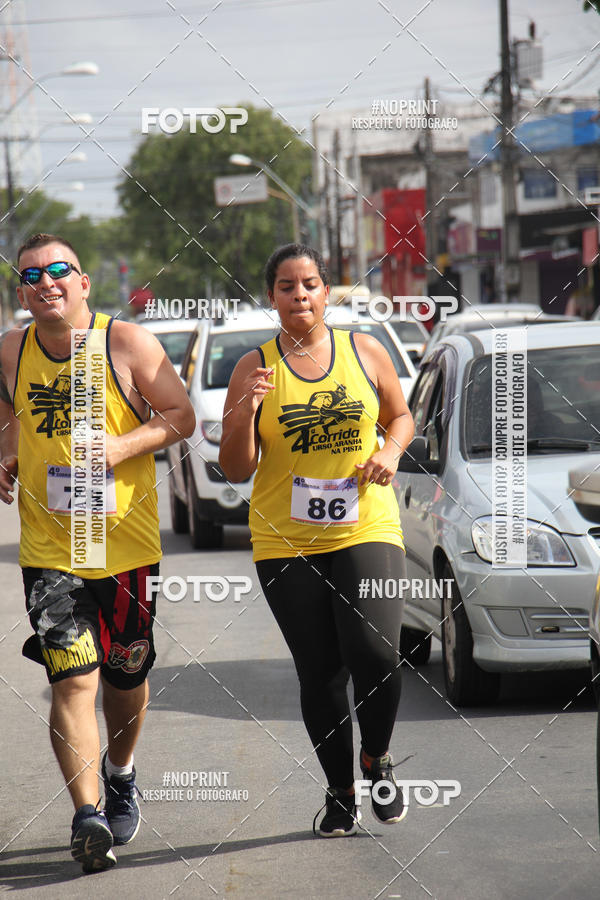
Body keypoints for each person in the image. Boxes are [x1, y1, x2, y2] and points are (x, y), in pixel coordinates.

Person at [0, 233, 195, 872]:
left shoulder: (126, 343)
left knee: (125, 676)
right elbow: (7, 411)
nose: (46, 282)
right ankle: (88, 817)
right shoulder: (12, 350)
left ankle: (121, 772)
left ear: (84, 282)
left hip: (126, 546)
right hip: (50, 548)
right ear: (22, 291)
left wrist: (121, 446)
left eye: (59, 270)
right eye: (32, 275)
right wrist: (6, 451)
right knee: (73, 677)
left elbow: (180, 415)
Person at [219, 244, 414, 837]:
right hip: (286, 541)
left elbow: (401, 416)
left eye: (309, 284)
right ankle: (340, 792)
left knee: (376, 653)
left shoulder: (365, 350)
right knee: (321, 671)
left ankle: (376, 757)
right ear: (271, 296)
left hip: (365, 524)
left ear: (326, 291)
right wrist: (243, 412)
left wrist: (389, 452)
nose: (299, 294)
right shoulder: (252, 367)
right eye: (286, 286)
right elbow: (235, 468)